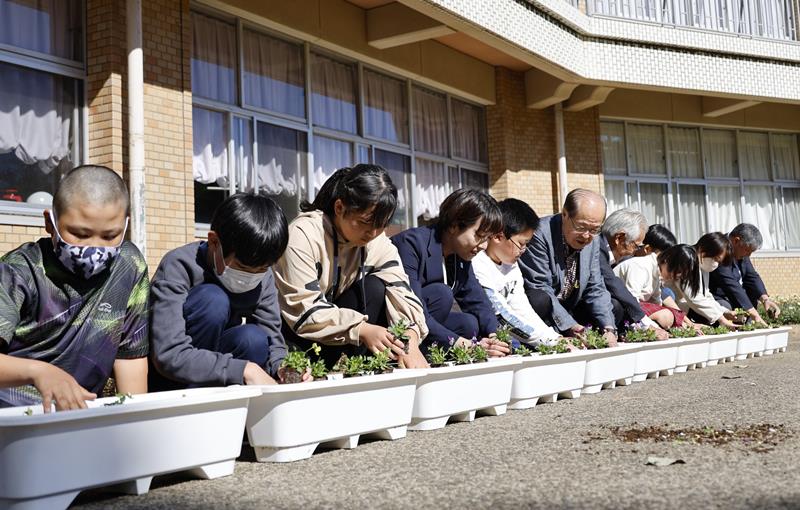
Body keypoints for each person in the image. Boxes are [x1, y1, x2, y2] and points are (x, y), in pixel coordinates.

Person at [0, 165, 148, 411]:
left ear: (124, 226)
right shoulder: (18, 271)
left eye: (110, 236)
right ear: (50, 223)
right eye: (80, 234)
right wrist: (38, 372)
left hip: (81, 415)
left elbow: (130, 358)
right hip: (14, 419)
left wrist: (134, 423)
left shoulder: (128, 266)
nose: (94, 248)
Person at [274, 165, 429, 368]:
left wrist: (410, 338)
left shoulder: (377, 240)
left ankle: (363, 367)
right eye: (365, 222)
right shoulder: (303, 235)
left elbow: (401, 290)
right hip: (298, 336)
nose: (372, 233)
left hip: (343, 335)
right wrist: (361, 329)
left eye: (381, 225)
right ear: (339, 208)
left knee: (377, 287)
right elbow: (304, 310)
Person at [149, 194, 294, 390]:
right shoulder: (179, 266)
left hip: (224, 371)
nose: (252, 276)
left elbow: (273, 341)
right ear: (214, 242)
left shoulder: (264, 277)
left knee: (254, 338)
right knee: (212, 300)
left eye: (261, 269)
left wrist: (284, 369)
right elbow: (169, 353)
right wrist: (243, 370)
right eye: (242, 267)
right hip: (174, 379)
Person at [392, 188, 508, 355]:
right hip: (399, 324)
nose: (483, 246)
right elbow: (413, 310)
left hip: (427, 325)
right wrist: (465, 345)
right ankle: (410, 354)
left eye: (487, 238)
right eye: (479, 236)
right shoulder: (411, 244)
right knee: (442, 293)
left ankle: (435, 353)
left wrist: (496, 336)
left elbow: (477, 300)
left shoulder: (460, 253)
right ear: (454, 225)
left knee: (468, 324)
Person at [519, 188, 618, 346]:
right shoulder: (540, 234)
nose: (586, 236)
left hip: (570, 304)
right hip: (544, 309)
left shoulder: (594, 239)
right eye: (581, 227)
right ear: (565, 214)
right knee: (539, 299)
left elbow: (595, 286)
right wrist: (572, 326)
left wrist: (609, 329)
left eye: (594, 230)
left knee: (614, 308)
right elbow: (540, 285)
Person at [472, 198, 563, 349]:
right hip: (483, 334)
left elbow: (522, 308)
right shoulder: (478, 265)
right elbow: (501, 315)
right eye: (521, 244)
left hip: (505, 329)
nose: (523, 250)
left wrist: (553, 337)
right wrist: (548, 342)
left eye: (527, 244)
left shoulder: (511, 265)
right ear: (497, 236)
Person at [599, 209, 667, 338]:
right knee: (615, 305)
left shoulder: (610, 252)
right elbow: (613, 284)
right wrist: (647, 325)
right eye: (635, 246)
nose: (634, 251)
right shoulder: (597, 248)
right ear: (619, 238)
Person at [709, 223, 781, 327]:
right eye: (747, 250)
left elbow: (751, 277)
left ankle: (748, 328)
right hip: (716, 297)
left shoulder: (740, 249)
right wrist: (754, 314)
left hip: (732, 296)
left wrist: (766, 300)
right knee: (727, 306)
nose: (748, 255)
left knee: (751, 294)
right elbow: (731, 284)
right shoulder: (719, 248)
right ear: (736, 241)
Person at [666, 233, 739, 329]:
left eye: (719, 262)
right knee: (711, 321)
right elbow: (694, 297)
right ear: (704, 249)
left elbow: (705, 294)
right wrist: (720, 318)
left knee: (719, 312)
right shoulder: (687, 259)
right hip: (673, 307)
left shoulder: (702, 262)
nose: (716, 264)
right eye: (716, 259)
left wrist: (724, 312)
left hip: (685, 308)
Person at [616, 236, 689, 329]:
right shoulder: (640, 266)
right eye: (675, 271)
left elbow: (657, 301)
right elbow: (632, 300)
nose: (673, 277)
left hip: (637, 307)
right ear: (667, 261)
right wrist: (653, 327)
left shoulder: (657, 270)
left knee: (672, 314)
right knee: (666, 315)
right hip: (622, 307)